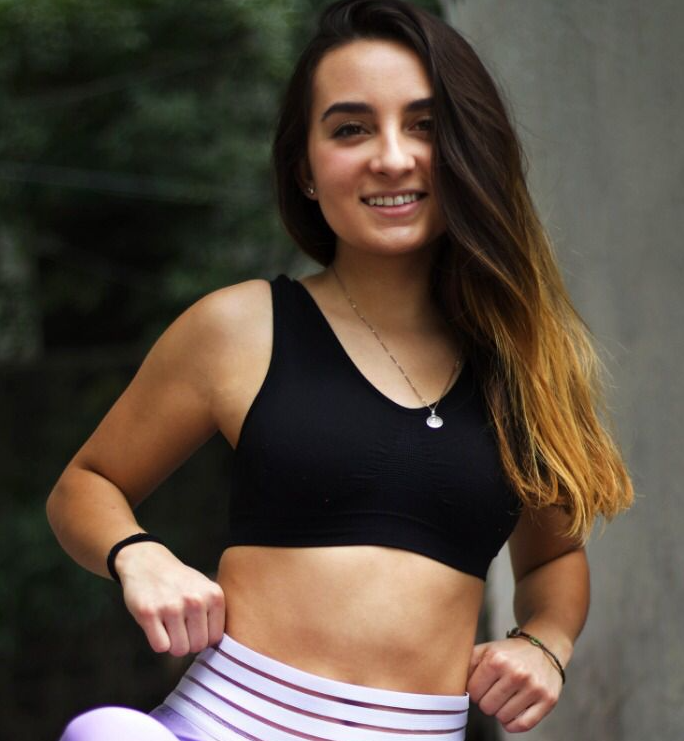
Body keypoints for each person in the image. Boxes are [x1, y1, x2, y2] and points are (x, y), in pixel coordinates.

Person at [46, 1, 634, 739]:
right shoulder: (240, 327)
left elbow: (553, 560)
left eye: (425, 124)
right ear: (306, 169)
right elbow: (86, 484)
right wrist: (139, 554)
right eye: (351, 128)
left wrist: (545, 641)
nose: (392, 157)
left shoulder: (524, 366)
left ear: (469, 147)